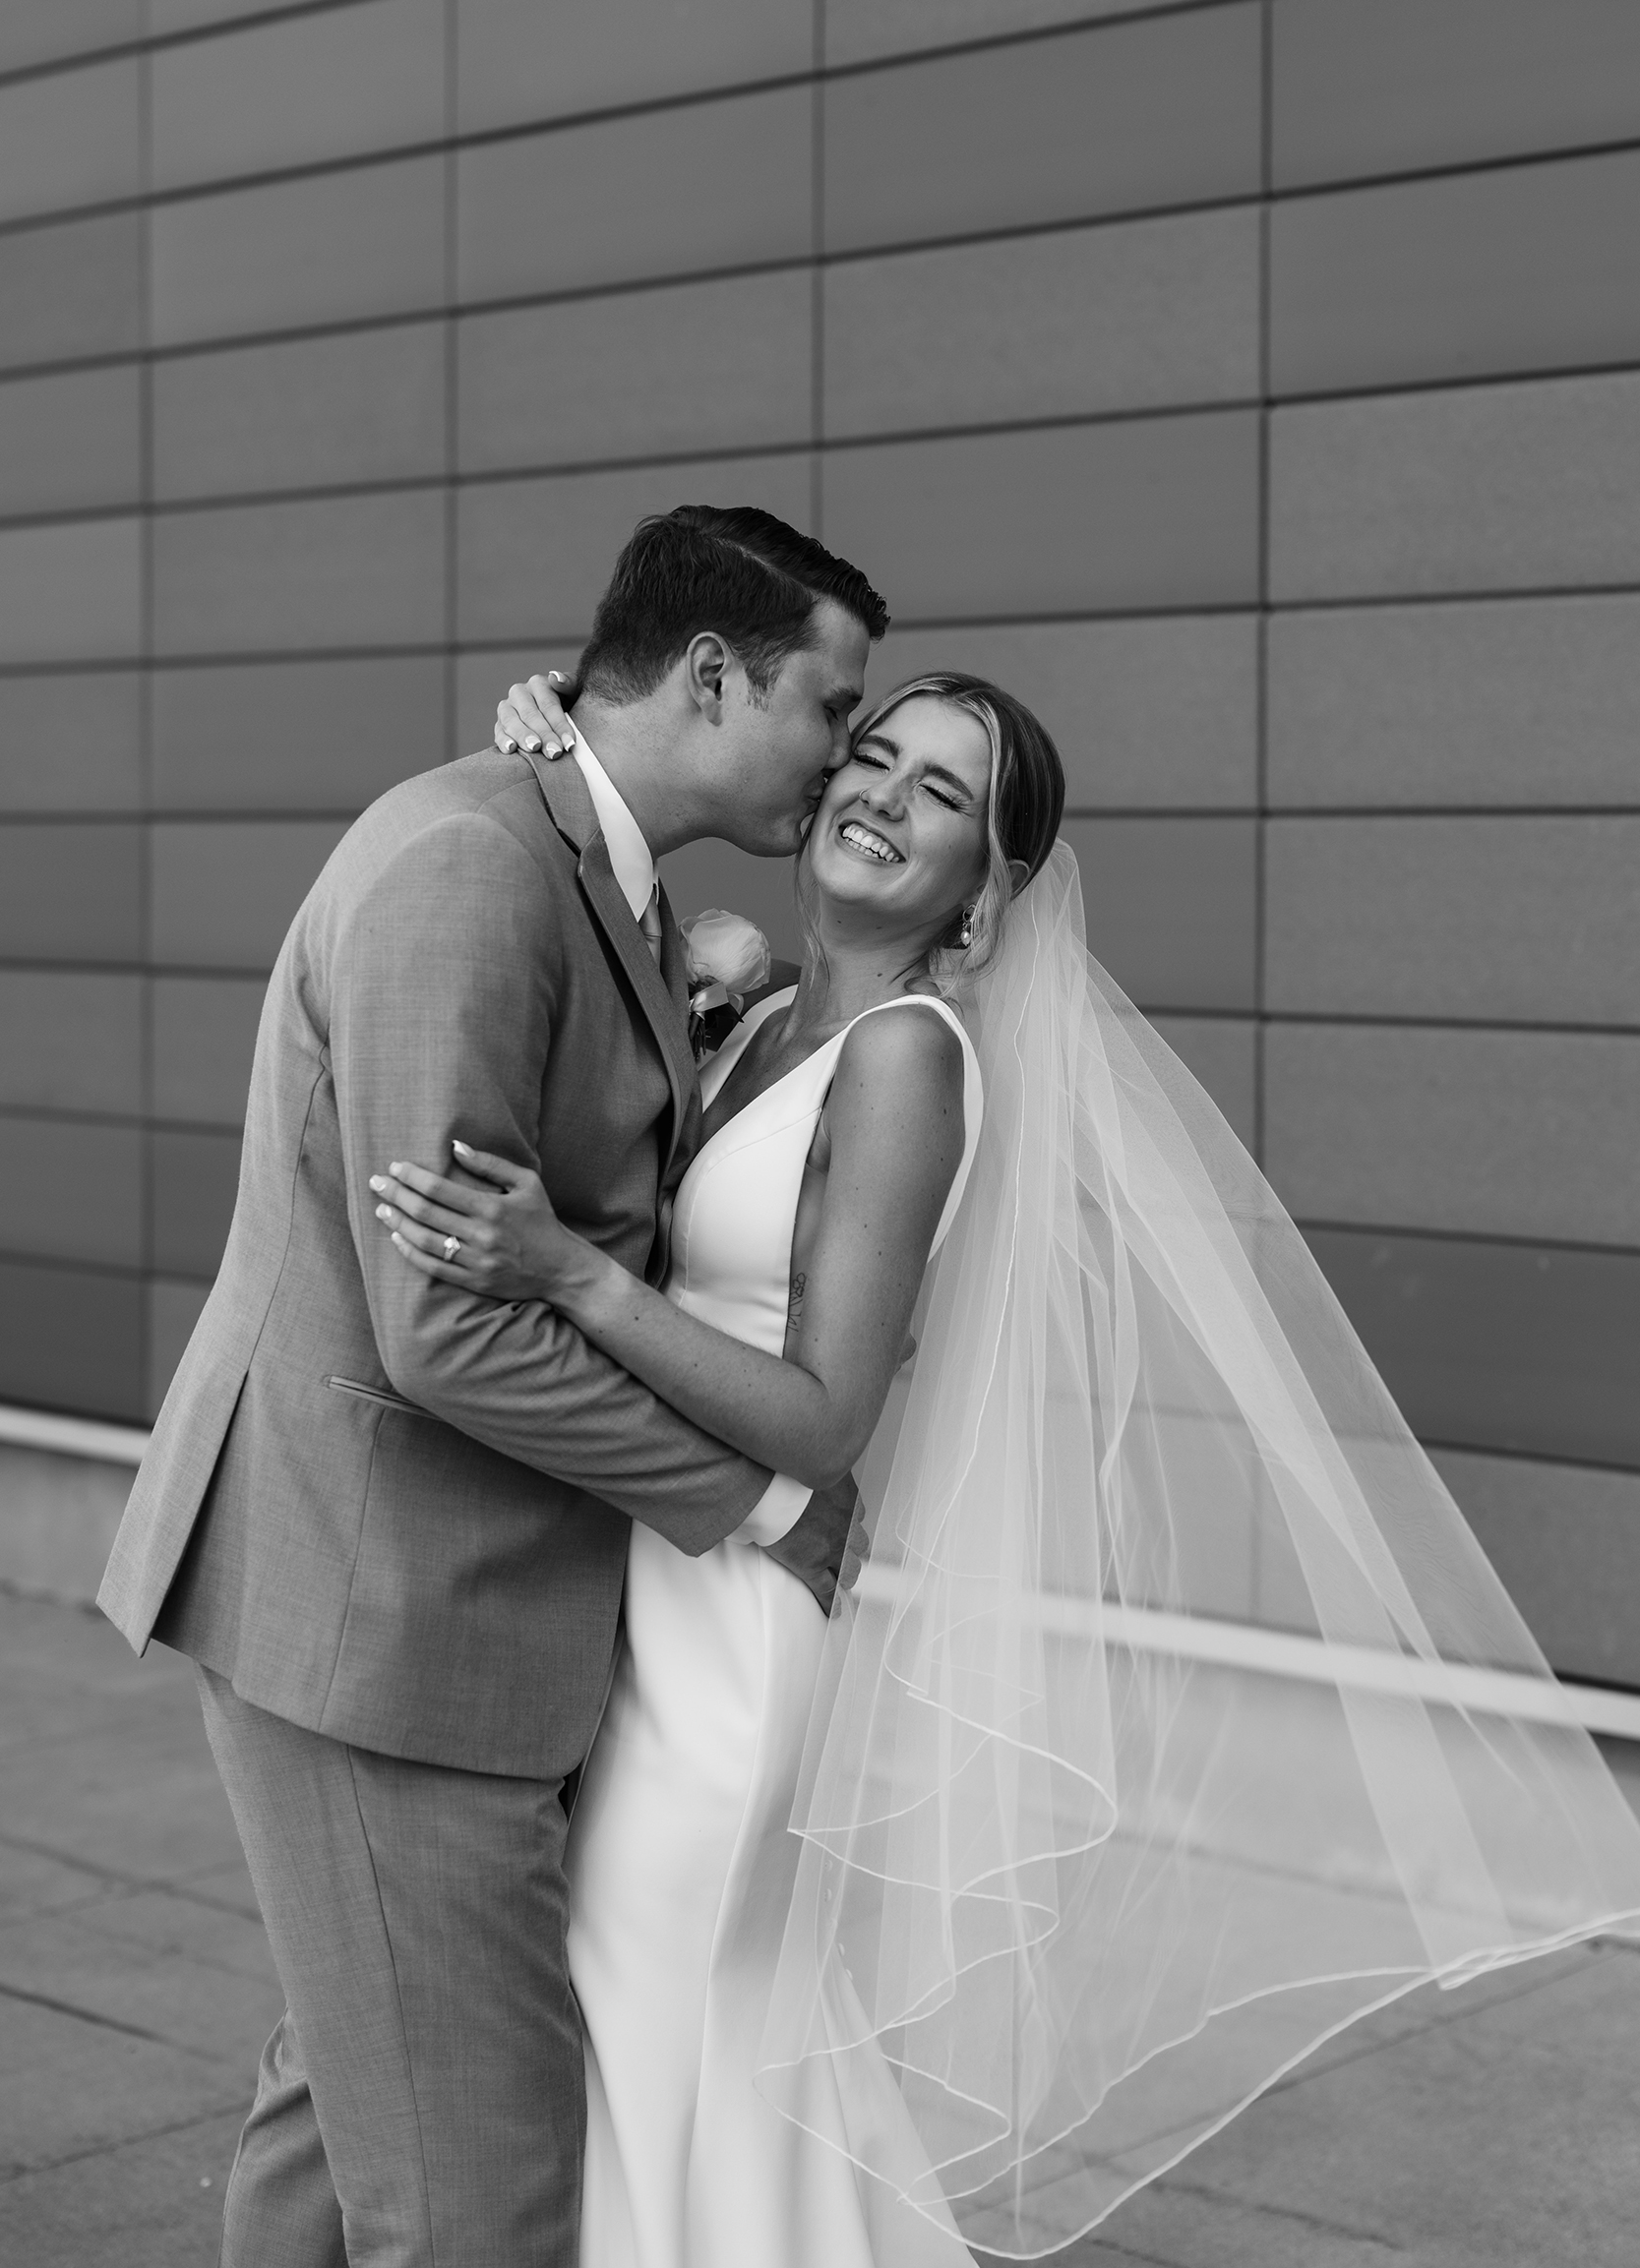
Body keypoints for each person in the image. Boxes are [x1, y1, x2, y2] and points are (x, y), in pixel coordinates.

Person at [366, 662, 1640, 2266]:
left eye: (944, 794)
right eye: (875, 756)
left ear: (988, 892)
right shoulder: (748, 1015)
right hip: (642, 1578)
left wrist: (571, 1277)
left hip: (733, 1634)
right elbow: (609, 822)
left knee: (655, 2018)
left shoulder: (911, 1060)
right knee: (665, 2039)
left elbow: (825, 1411)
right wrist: (558, 721)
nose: (885, 797)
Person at [97, 507, 890, 2268]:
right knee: (481, 2199)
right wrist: (757, 1500)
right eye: (833, 708)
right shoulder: (474, 861)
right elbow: (443, 1325)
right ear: (708, 675)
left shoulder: (592, 864)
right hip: (382, 1616)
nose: (843, 756)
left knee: (339, 2128)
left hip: (446, 1612)